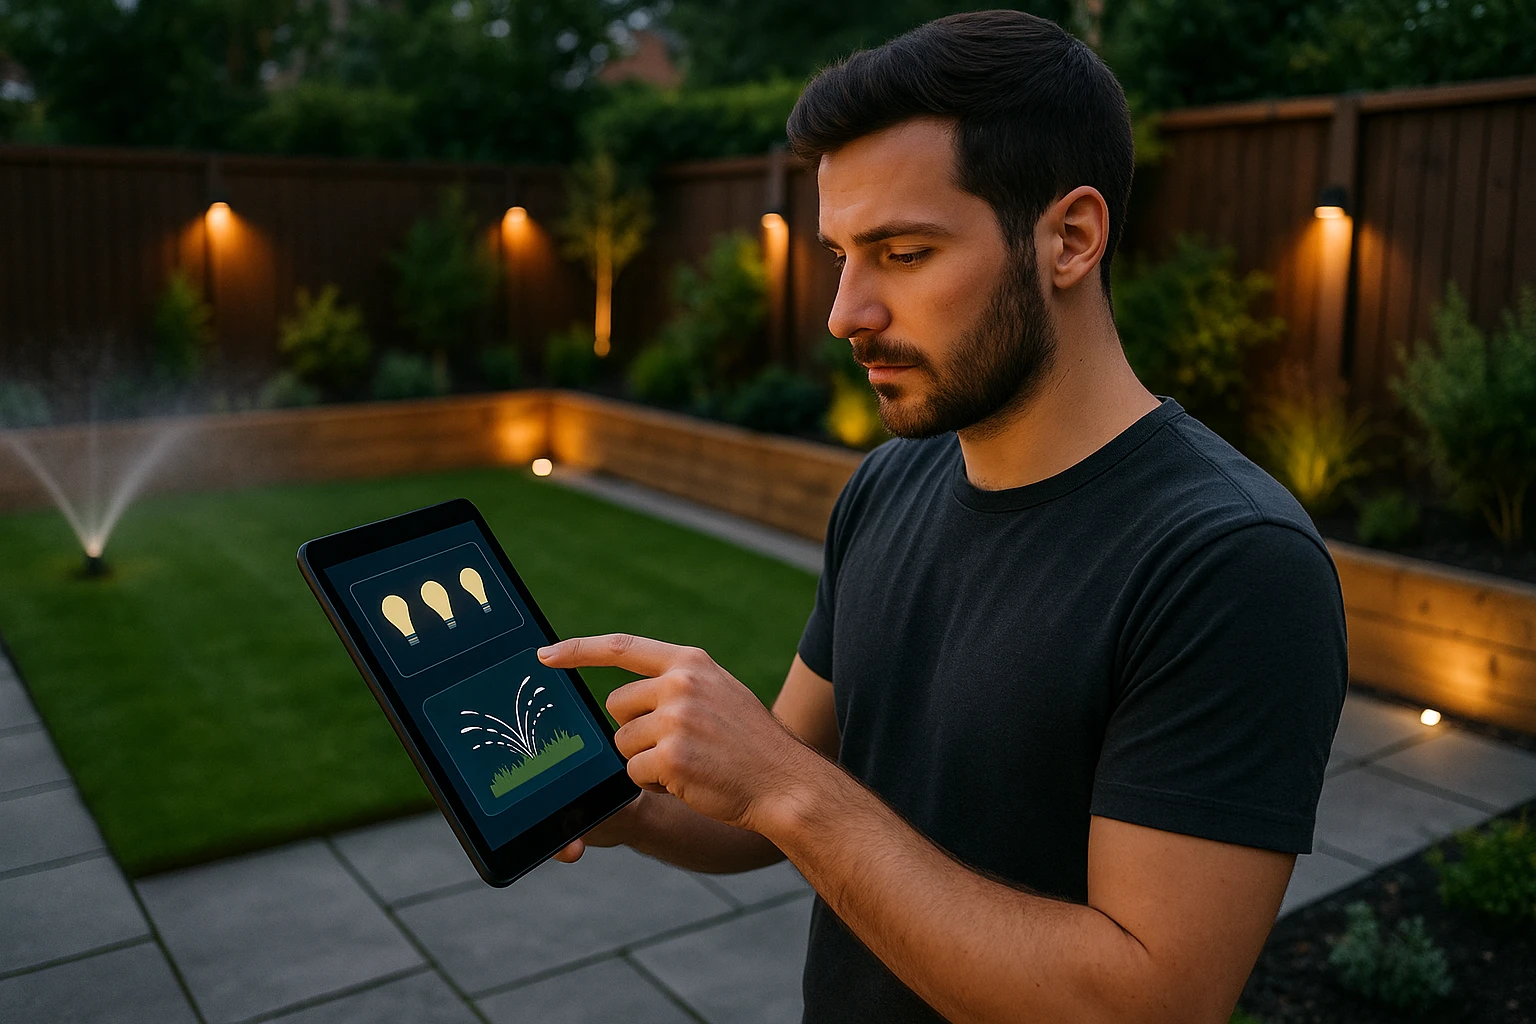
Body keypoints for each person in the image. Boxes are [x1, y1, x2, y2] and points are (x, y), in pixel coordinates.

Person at [536, 10, 1347, 1023]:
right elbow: (767, 811)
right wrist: (623, 804)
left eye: (903, 252)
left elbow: (1147, 1004)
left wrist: (790, 785)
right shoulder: (888, 486)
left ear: (1071, 237)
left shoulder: (1229, 564)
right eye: (841, 254)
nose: (845, 312)